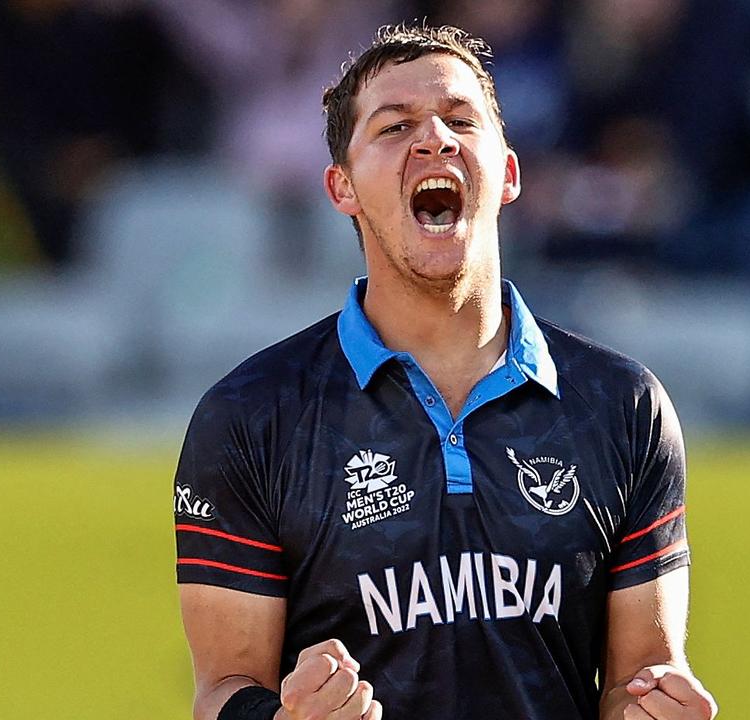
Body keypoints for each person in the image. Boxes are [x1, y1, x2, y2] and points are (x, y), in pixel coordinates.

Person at [174, 23, 717, 720]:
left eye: (460, 119)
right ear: (342, 187)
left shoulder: (621, 406)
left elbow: (639, 678)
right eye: (395, 126)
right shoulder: (251, 415)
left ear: (510, 172)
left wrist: (658, 708)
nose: (435, 138)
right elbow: (222, 690)